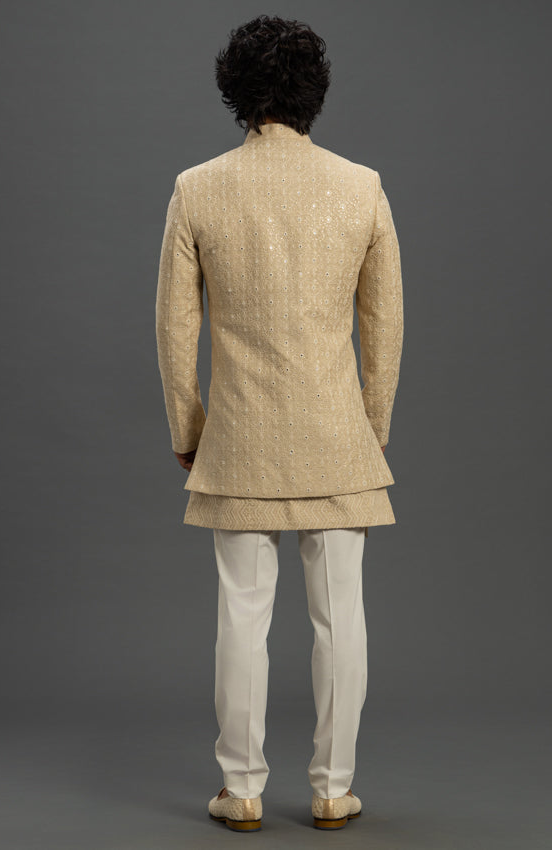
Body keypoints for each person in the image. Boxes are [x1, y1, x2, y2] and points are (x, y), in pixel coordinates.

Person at [155, 14, 404, 832]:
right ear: (314, 92)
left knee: (241, 617)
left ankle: (243, 789)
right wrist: (372, 426)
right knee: (342, 619)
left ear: (235, 89)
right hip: (337, 440)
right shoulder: (361, 186)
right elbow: (385, 324)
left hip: (238, 439)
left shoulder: (198, 187)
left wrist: (189, 430)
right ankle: (333, 788)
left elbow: (175, 329)